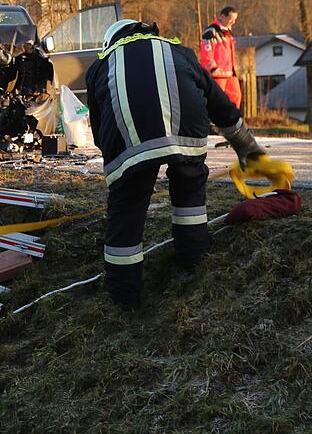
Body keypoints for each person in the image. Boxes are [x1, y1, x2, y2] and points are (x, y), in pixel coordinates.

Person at [85, 19, 268, 310]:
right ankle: (192, 266)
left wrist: (123, 172)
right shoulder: (180, 52)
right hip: (187, 135)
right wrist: (249, 149)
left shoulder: (100, 65)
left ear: (112, 41)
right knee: (190, 198)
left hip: (129, 144)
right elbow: (220, 105)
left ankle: (124, 300)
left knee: (127, 212)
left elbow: (97, 129)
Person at [200, 6, 242, 108]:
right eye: (231, 19)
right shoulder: (210, 32)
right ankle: (215, 122)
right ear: (222, 17)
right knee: (217, 102)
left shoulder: (228, 34)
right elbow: (207, 54)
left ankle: (232, 121)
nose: (233, 22)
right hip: (217, 75)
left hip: (230, 74)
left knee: (236, 97)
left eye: (234, 20)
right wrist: (214, 70)